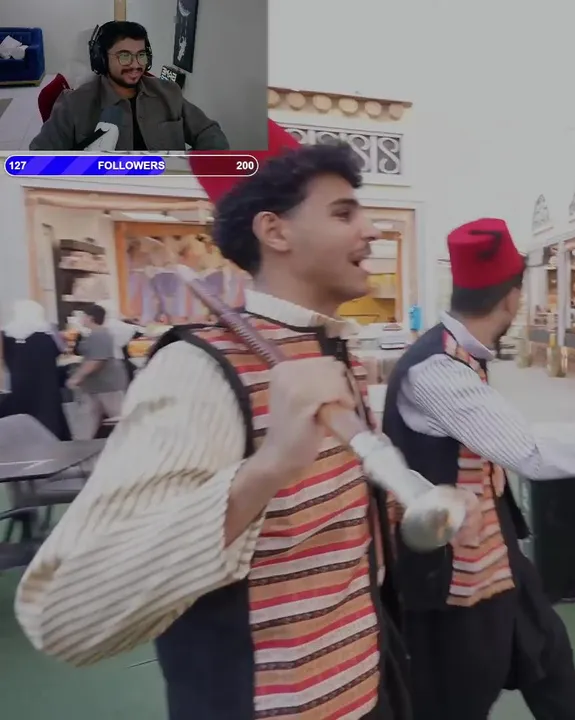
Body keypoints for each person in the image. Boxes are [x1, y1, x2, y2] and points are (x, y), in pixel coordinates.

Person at [15, 121, 475, 719]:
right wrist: (269, 467)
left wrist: (406, 501)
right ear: (274, 230)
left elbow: (325, 527)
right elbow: (62, 615)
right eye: (343, 213)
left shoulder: (331, 349)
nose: (372, 229)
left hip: (370, 688)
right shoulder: (195, 372)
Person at [381, 217, 575, 720]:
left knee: (552, 666)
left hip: (501, 561)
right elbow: (528, 450)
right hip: (454, 583)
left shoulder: (459, 354)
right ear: (513, 297)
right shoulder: (436, 369)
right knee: (453, 704)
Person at [30, 21, 228, 151]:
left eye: (141, 55)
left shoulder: (169, 93)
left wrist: (189, 171)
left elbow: (209, 132)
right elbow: (39, 155)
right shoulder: (74, 104)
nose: (136, 64)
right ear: (101, 59)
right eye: (124, 56)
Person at [0, 300, 71, 440]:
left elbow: (5, 359)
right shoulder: (48, 332)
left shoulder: (6, 335)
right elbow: (61, 350)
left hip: (20, 384)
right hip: (46, 384)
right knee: (49, 417)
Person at [66, 304, 130, 436]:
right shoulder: (94, 334)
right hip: (94, 386)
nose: (81, 320)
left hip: (108, 386)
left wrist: (77, 377)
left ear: (90, 318)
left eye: (83, 317)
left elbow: (96, 361)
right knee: (86, 420)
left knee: (121, 419)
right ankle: (81, 445)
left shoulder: (99, 335)